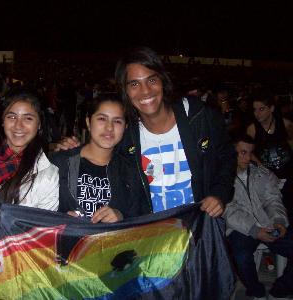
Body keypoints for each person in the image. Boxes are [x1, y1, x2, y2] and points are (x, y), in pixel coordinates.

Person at [56, 47, 236, 217]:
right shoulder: (126, 135)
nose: (145, 91)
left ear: (163, 81)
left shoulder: (199, 117)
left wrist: (219, 194)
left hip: (199, 229)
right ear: (125, 90)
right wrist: (73, 151)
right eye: (134, 84)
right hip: (151, 236)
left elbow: (227, 157)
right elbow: (103, 160)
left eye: (151, 80)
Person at [50, 93, 148, 223]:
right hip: (66, 241)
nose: (109, 127)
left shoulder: (131, 170)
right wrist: (59, 218)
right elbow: (38, 209)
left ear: (125, 127)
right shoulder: (60, 163)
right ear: (88, 122)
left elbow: (142, 216)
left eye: (117, 121)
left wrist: (122, 216)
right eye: (102, 119)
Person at [224, 134, 293, 299]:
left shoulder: (262, 173)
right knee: (240, 256)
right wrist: (254, 230)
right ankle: (256, 291)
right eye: (242, 152)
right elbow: (228, 210)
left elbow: (274, 200)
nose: (248, 157)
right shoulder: (222, 178)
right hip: (241, 229)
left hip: (269, 224)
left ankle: (281, 289)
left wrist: (279, 221)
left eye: (250, 152)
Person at [247, 89, 293, 224]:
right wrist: (266, 173)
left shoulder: (286, 125)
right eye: (255, 110)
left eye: (261, 109)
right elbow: (249, 153)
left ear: (271, 108)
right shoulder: (252, 129)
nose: (257, 113)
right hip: (268, 178)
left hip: (288, 174)